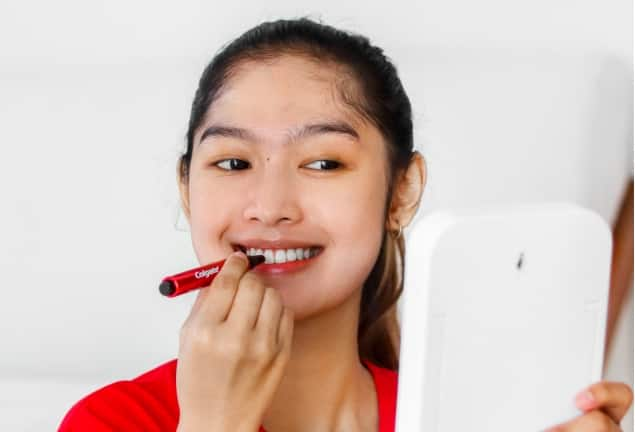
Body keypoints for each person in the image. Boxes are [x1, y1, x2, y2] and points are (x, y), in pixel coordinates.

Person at [59, 17, 633, 432]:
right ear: (187, 190)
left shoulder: (471, 419)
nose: (270, 205)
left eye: (323, 163)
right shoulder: (111, 422)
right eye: (232, 162)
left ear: (401, 193)